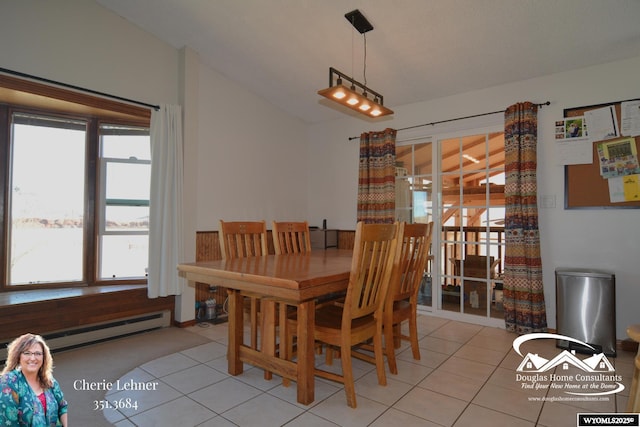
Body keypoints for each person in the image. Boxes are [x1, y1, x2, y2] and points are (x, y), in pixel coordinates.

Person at [0, 333, 68, 426]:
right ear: (18, 356)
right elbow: (8, 422)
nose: (33, 358)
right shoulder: (8, 382)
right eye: (27, 353)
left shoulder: (49, 381)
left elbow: (63, 407)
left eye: (38, 353)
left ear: (44, 357)